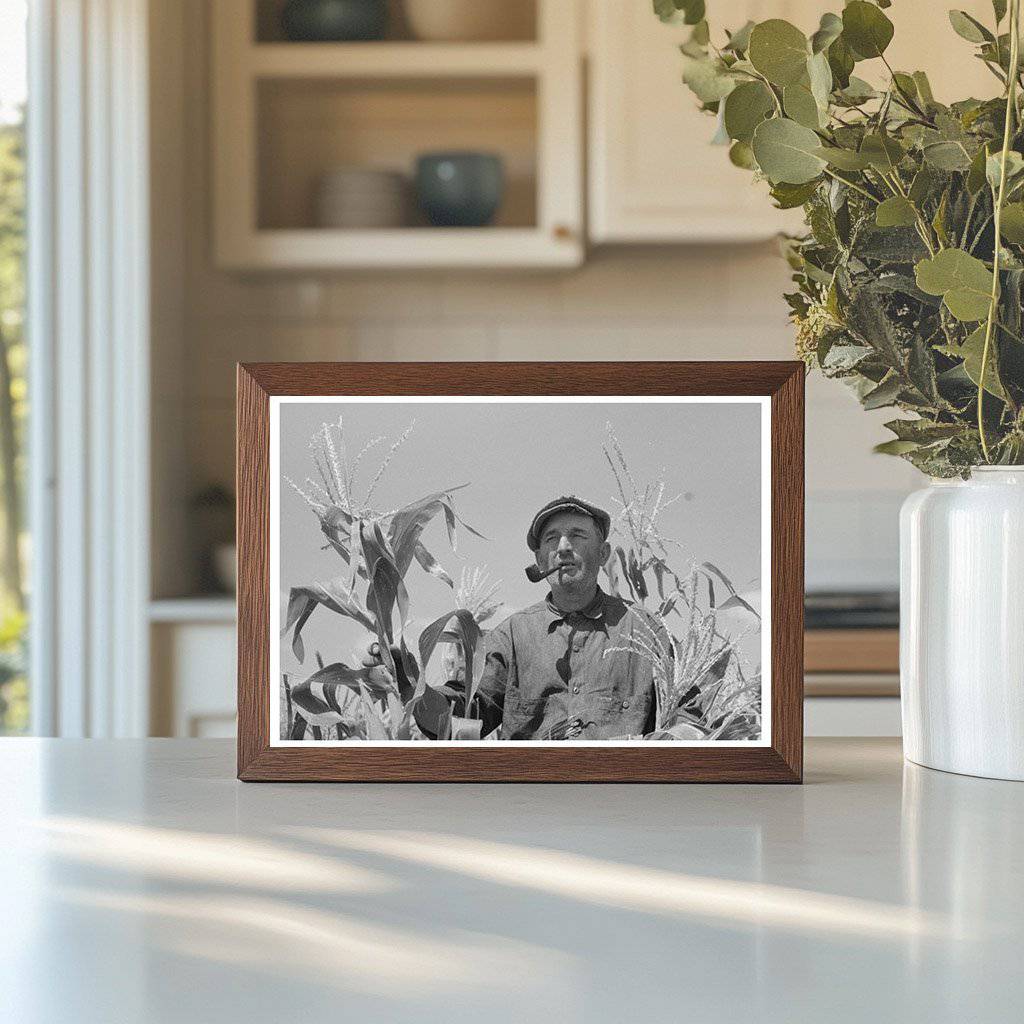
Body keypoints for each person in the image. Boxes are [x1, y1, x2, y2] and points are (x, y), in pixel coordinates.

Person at [474, 495, 663, 739]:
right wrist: (411, 682)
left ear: (603, 553)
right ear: (541, 561)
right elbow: (464, 712)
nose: (563, 547)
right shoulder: (510, 636)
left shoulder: (646, 632)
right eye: (552, 538)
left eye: (577, 535)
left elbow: (689, 718)